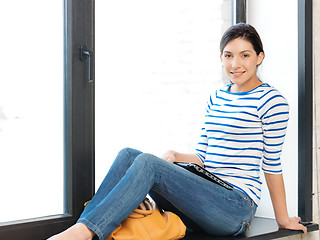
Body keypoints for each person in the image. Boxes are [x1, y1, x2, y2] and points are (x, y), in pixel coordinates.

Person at [48, 23, 307, 240]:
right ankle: (83, 226)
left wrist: (283, 219)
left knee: (148, 163)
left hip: (234, 207)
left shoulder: (271, 101)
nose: (235, 64)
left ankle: (85, 232)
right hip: (203, 195)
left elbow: (272, 163)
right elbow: (204, 157)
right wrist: (175, 155)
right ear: (221, 58)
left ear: (259, 57)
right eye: (228, 55)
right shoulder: (217, 97)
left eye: (245, 55)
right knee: (128, 155)